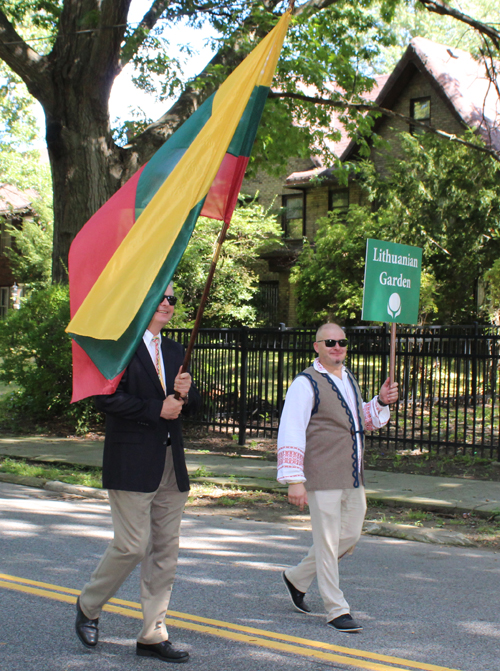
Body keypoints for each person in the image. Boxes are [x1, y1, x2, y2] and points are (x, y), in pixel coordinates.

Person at [75, 283, 201, 663]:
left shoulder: (177, 350)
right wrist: (155, 409)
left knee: (165, 550)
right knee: (132, 545)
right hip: (130, 462)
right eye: (160, 297)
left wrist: (187, 392)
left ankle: (152, 633)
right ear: (142, 301)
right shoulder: (120, 346)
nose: (167, 303)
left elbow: (188, 407)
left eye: (172, 299)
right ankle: (89, 605)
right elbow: (104, 398)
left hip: (168, 465)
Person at [277, 322, 398, 633]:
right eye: (329, 342)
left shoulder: (348, 379)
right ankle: (336, 609)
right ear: (316, 346)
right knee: (329, 542)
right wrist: (294, 479)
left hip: (351, 473)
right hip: (321, 474)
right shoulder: (305, 383)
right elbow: (291, 428)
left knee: (350, 535)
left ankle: (297, 578)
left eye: (342, 341)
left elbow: (360, 421)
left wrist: (381, 402)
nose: (337, 347)